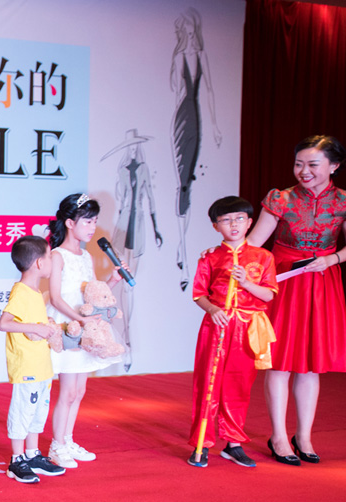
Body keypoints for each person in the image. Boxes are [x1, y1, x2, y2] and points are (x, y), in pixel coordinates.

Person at [246, 135, 346, 464]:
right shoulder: (280, 199)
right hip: (284, 281)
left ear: (334, 166)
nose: (303, 171)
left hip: (322, 282)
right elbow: (255, 242)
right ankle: (278, 437)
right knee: (280, 362)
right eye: (299, 164)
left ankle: (305, 437)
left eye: (312, 164)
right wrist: (230, 258)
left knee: (311, 364)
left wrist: (332, 259)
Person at [187, 197, 277, 468]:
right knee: (208, 384)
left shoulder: (263, 257)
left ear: (250, 223)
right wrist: (213, 309)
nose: (233, 224)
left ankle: (233, 444)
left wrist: (246, 283)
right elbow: (198, 294)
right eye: (225, 220)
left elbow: (269, 295)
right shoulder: (210, 257)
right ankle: (201, 444)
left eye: (239, 218)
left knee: (239, 386)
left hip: (247, 328)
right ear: (216, 226)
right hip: (217, 326)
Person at [46, 194, 124, 469]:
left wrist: (112, 281)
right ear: (70, 223)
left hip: (86, 327)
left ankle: (67, 440)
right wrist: (79, 319)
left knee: (79, 391)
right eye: (87, 221)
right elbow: (56, 298)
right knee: (68, 391)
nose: (92, 227)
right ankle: (57, 445)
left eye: (95, 221)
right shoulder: (57, 255)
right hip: (68, 327)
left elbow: (93, 295)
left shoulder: (87, 256)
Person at [0, 236, 66, 483]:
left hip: (41, 365)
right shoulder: (21, 292)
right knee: (23, 411)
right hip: (26, 366)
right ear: (39, 263)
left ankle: (32, 454)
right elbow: (4, 323)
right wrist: (35, 328)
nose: (52, 262)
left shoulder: (35, 292)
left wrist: (44, 326)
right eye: (49, 257)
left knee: (38, 411)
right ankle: (17, 460)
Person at [102, 129, 164, 370]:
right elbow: (121, 203)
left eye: (136, 145)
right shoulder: (122, 171)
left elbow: (150, 199)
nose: (133, 149)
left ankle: (128, 340)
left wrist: (156, 228)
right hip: (123, 223)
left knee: (130, 285)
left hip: (138, 224)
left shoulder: (144, 169)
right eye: (130, 145)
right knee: (121, 285)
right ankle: (123, 340)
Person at [170, 7, 222, 291]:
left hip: (196, 120)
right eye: (185, 32)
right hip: (181, 120)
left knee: (188, 182)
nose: (189, 36)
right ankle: (181, 247)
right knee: (182, 182)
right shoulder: (179, 57)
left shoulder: (201, 56)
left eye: (192, 32)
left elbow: (211, 91)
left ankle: (183, 247)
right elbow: (175, 92)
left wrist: (214, 126)